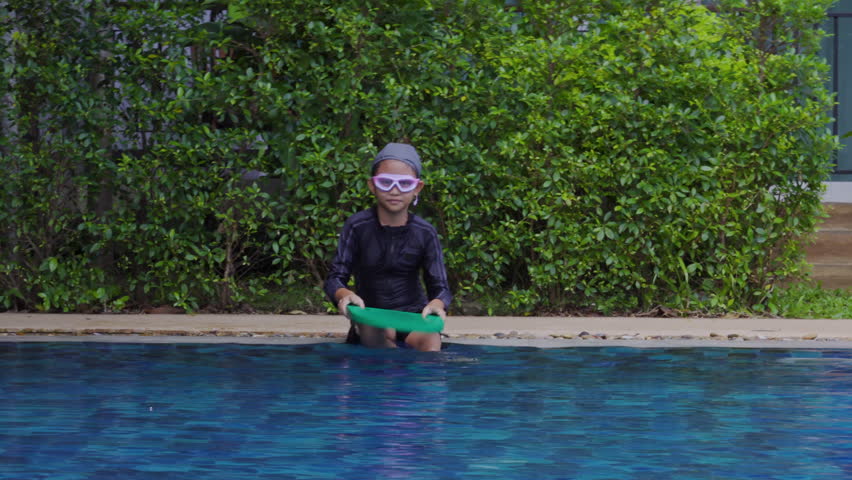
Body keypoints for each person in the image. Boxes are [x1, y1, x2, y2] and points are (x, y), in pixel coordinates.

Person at [324, 142, 452, 351]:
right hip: (371, 316)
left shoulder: (425, 232)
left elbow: (441, 288)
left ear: (417, 188)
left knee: (430, 339)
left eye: (404, 184)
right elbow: (335, 278)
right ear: (372, 185)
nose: (394, 190)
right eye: (385, 182)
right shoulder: (357, 226)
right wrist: (345, 295)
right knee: (374, 330)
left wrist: (437, 304)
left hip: (413, 317)